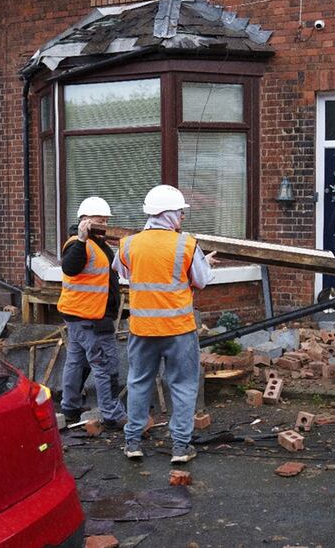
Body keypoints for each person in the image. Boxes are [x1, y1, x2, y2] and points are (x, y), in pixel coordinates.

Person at [113, 185, 216, 464]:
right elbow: (201, 281)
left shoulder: (129, 244)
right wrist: (204, 263)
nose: (182, 217)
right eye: (180, 212)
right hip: (178, 330)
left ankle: (133, 442)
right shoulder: (186, 244)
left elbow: (123, 272)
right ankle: (180, 447)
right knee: (182, 386)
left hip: (142, 330)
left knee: (138, 383)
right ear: (168, 213)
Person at [57, 196, 126, 428]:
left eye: (106, 220)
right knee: (105, 365)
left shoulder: (98, 244)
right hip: (92, 318)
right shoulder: (79, 243)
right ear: (85, 220)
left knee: (76, 363)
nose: (104, 224)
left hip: (81, 316)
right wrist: (82, 239)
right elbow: (69, 267)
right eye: (99, 220)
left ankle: (70, 407)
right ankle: (112, 414)